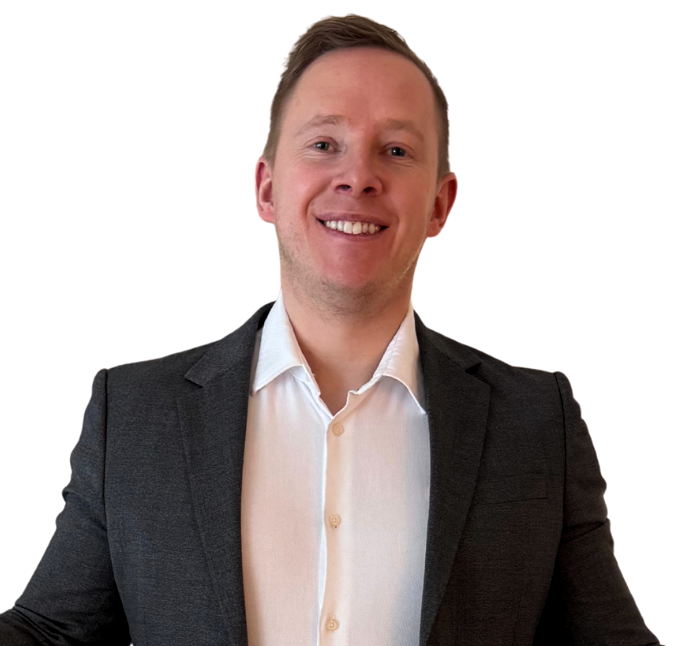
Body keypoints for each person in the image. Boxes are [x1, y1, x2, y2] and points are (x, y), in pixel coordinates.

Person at [0, 14, 662, 646]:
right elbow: (53, 633)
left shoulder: (536, 425)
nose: (359, 177)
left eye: (396, 151)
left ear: (439, 203)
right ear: (267, 188)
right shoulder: (136, 416)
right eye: (324, 145)